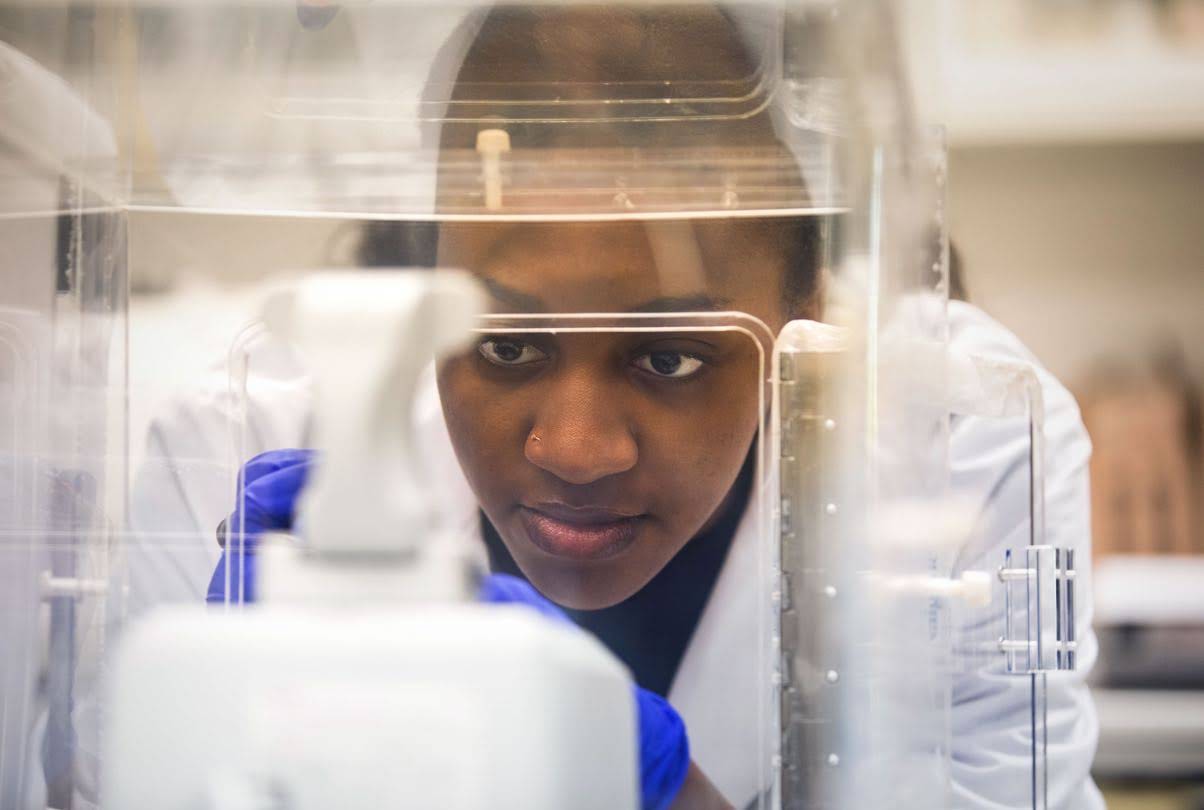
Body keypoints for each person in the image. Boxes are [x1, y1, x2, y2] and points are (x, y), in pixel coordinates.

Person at [135, 5, 1101, 809]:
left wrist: (653, 782)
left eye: (669, 356)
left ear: (811, 311)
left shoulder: (965, 442)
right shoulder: (236, 441)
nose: (578, 449)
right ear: (421, 273)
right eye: (506, 346)